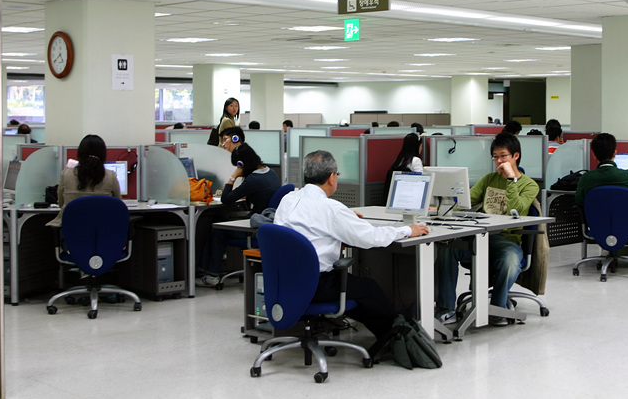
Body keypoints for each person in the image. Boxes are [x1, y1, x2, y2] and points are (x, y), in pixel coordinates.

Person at [274, 150, 428, 340]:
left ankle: (392, 327)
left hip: (285, 282)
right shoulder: (331, 209)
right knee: (368, 288)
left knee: (358, 290)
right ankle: (396, 334)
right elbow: (370, 237)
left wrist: (345, 219)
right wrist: (406, 230)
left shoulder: (287, 199)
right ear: (331, 177)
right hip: (315, 284)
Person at [435, 133, 539, 327]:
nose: (498, 161)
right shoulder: (488, 179)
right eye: (495, 157)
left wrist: (510, 180)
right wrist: (444, 204)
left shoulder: (529, 185)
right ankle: (446, 309)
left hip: (507, 240)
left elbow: (516, 209)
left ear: (516, 156)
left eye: (503, 156)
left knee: (510, 260)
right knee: (447, 249)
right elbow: (465, 203)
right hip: (481, 236)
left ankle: (497, 310)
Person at [197, 144, 281, 286]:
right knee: (221, 219)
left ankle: (211, 275)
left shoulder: (253, 179)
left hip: (254, 229)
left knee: (217, 229)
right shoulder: (270, 172)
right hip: (265, 223)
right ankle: (209, 269)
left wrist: (233, 176)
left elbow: (226, 199)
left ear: (242, 164)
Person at [47, 134, 122, 227]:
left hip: (73, 230)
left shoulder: (66, 174)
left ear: (80, 153)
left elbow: (61, 203)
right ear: (103, 154)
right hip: (102, 229)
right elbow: (118, 205)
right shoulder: (111, 176)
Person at [574, 132, 628, 207]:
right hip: (626, 222)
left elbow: (579, 201)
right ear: (615, 153)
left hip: (595, 223)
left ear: (594, 155)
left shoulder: (586, 178)